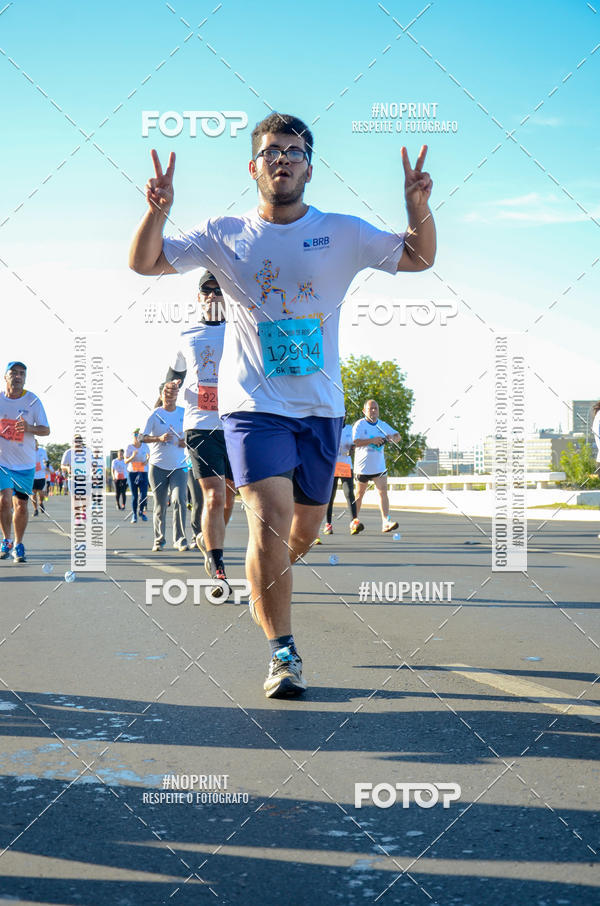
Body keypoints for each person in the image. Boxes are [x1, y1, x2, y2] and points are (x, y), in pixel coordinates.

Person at [129, 112, 435, 697]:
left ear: (309, 167)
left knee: (304, 529)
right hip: (253, 408)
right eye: (272, 151)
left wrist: (416, 204)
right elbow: (145, 263)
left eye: (294, 151)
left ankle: (265, 579)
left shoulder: (342, 232)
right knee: (267, 524)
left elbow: (419, 258)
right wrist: (157, 210)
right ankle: (284, 654)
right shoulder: (225, 233)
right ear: (254, 166)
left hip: (320, 408)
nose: (283, 159)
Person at [163, 271, 235, 594]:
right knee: (214, 495)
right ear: (199, 298)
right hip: (200, 425)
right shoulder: (186, 333)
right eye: (206, 291)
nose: (212, 296)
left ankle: (209, 541)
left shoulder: (239, 331)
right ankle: (218, 567)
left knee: (229, 498)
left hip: (236, 423)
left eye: (218, 291)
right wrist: (167, 390)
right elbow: (174, 373)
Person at [0, 361, 50, 562]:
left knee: (21, 505)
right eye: (14, 373)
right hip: (2, 462)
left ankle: (18, 544)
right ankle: (6, 541)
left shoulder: (33, 401)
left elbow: (46, 429)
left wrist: (29, 428)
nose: (18, 376)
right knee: (4, 502)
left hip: (25, 464)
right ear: (6, 376)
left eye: (22, 373)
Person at [140, 382, 188, 551]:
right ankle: (159, 540)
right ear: (161, 396)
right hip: (158, 466)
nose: (169, 397)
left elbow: (193, 435)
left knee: (179, 500)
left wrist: (186, 442)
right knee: (160, 504)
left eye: (172, 394)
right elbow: (141, 437)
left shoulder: (184, 412)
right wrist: (158, 439)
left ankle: (180, 539)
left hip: (180, 467)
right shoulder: (155, 414)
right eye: (166, 395)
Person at [353, 400, 402, 532]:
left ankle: (386, 521)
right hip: (362, 467)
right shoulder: (359, 424)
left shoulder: (382, 425)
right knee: (359, 494)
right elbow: (356, 441)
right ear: (364, 411)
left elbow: (398, 436)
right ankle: (354, 521)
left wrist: (392, 437)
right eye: (370, 409)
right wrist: (372, 440)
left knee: (383, 491)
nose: (373, 411)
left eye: (375, 408)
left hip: (378, 467)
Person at [322, 416, 363, 536]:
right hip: (332, 464)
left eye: (344, 414)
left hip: (345, 464)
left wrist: (353, 448)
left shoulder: (350, 429)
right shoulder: (330, 428)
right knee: (330, 495)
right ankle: (328, 524)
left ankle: (354, 522)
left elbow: (355, 443)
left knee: (349, 493)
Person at [124, 429, 150, 523]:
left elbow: (147, 459)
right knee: (135, 496)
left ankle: (141, 512)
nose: (136, 436)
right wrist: (132, 456)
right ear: (132, 436)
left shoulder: (145, 446)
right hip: (132, 473)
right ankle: (134, 515)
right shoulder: (129, 447)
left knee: (144, 495)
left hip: (143, 472)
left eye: (138, 434)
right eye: (135, 434)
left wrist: (146, 460)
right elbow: (125, 461)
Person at [32, 439, 48, 516]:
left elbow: (46, 460)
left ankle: (41, 503)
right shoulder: (29, 451)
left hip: (41, 475)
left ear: (37, 444)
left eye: (35, 443)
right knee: (33, 493)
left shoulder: (42, 451)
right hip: (32, 476)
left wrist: (46, 466)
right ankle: (35, 509)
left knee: (41, 494)